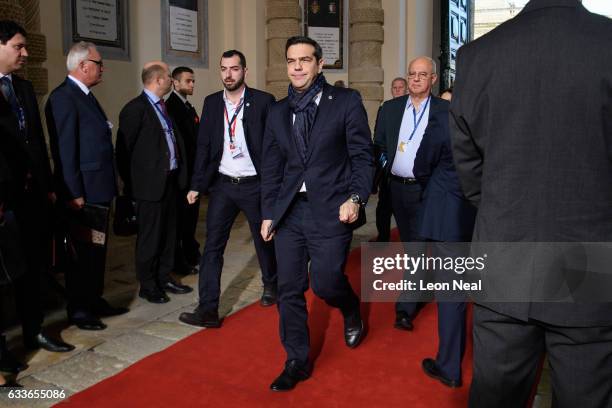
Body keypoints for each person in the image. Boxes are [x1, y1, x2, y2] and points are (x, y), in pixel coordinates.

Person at [450, 0, 612, 406]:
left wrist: (503, 210)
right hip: (590, 257)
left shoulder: (477, 55)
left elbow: (469, 169)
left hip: (506, 249)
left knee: (496, 396)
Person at [260, 36, 374, 391]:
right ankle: (296, 359)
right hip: (291, 213)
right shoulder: (277, 111)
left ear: (320, 64)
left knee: (325, 282)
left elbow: (362, 156)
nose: (296, 67)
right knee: (289, 288)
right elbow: (272, 167)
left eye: (305, 60)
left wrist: (355, 197)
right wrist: (269, 212)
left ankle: (350, 306)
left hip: (332, 210)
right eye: (291, 60)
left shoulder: (346, 101)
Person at [179, 50, 277, 329]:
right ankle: (208, 308)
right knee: (213, 247)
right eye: (224, 69)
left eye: (234, 69)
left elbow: (272, 148)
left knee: (264, 240)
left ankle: (272, 284)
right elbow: (204, 147)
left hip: (255, 184)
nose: (228, 74)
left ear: (244, 71)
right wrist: (197, 184)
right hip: (223, 185)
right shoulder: (211, 103)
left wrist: (274, 186)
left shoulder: (263, 102)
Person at [0, 20, 74, 353]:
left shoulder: (25, 88)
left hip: (31, 197)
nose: (26, 53)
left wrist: (47, 187)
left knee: (32, 267)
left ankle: (35, 330)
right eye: (18, 46)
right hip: (3, 200)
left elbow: (37, 143)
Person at [46, 41, 127, 331]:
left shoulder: (86, 95)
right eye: (98, 62)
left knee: (97, 250)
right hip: (83, 192)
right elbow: (65, 151)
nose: (102, 67)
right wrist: (74, 192)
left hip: (99, 188)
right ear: (83, 66)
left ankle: (94, 299)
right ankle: (79, 309)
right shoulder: (63, 98)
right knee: (82, 254)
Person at [374, 56, 449, 331]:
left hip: (428, 189)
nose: (415, 79)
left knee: (417, 248)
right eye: (412, 74)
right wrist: (387, 166)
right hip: (397, 188)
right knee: (411, 245)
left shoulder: (444, 110)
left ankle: (405, 307)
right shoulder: (391, 109)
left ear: (433, 79)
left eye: (422, 74)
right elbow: (379, 144)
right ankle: (421, 284)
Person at [117, 61, 192, 304]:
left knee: (170, 234)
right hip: (148, 187)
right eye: (169, 77)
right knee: (150, 238)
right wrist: (132, 186)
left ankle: (164, 276)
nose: (171, 81)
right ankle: (148, 284)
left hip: (170, 182)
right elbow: (124, 151)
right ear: (158, 80)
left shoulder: (163, 107)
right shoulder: (134, 109)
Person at [413, 104, 476, 388]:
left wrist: (436, 190)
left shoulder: (445, 117)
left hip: (449, 213)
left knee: (452, 293)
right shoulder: (499, 111)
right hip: (484, 213)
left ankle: (449, 367)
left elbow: (421, 165)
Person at [165, 66, 200, 275]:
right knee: (181, 221)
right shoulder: (172, 107)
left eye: (193, 81)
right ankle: (181, 258)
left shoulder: (187, 107)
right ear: (175, 83)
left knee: (190, 219)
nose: (192, 84)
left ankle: (190, 252)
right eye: (188, 81)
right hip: (183, 174)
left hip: (193, 172)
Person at [371, 76, 409, 243]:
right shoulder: (385, 108)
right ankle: (383, 236)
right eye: (394, 87)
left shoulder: (412, 108)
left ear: (407, 89)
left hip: (408, 167)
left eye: (401, 87)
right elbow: (378, 136)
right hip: (388, 165)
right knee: (384, 206)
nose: (397, 90)